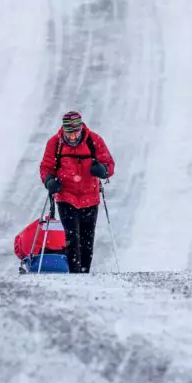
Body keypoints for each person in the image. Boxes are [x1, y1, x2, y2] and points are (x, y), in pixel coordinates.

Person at [39, 110, 115, 274]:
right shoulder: (55, 143)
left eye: (76, 132)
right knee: (72, 237)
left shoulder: (94, 141)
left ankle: (84, 272)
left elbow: (109, 164)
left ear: (81, 128)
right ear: (64, 130)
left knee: (87, 239)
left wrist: (103, 170)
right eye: (69, 133)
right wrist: (49, 181)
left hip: (90, 198)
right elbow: (46, 167)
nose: (73, 137)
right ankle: (74, 274)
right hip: (66, 197)